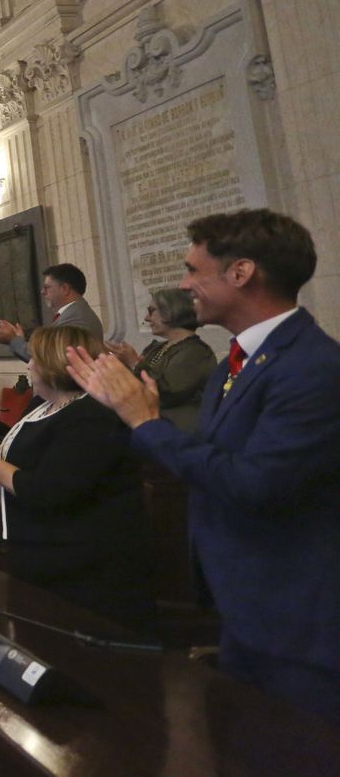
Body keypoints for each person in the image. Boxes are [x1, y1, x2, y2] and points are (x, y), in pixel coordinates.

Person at [65, 209, 340, 723]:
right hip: (241, 609)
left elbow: (256, 485)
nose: (184, 284)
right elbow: (205, 460)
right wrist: (133, 418)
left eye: (194, 270)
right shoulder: (236, 362)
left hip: (298, 622)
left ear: (240, 273)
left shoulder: (311, 367)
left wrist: (146, 423)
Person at [0, 326, 154, 632]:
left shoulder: (91, 415)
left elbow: (46, 489)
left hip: (85, 565)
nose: (29, 365)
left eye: (35, 358)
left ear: (53, 364)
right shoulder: (43, 405)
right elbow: (31, 461)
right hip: (39, 552)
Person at [103, 287, 217, 432]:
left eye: (152, 311)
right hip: (149, 426)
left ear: (171, 311)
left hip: (177, 432)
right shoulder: (157, 348)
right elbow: (136, 387)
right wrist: (119, 365)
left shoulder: (196, 352)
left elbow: (167, 394)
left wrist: (134, 363)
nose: (146, 318)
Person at [0, 263, 103, 361]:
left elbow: (49, 359)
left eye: (47, 287)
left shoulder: (77, 318)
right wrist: (18, 339)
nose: (42, 292)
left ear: (65, 289)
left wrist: (13, 340)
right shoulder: (73, 313)